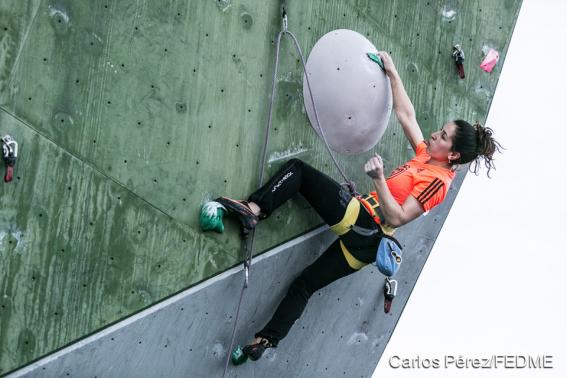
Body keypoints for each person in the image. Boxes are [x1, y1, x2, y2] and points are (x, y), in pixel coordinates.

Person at [213, 51, 502, 361]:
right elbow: (407, 114)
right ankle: (265, 341)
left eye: (442, 136)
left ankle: (253, 211)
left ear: (453, 155)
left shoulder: (438, 181)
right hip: (362, 243)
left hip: (367, 227)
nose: (434, 134)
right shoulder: (426, 157)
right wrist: (392, 71)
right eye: (440, 130)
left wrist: (378, 178)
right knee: (305, 285)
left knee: (298, 171)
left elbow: (399, 216)